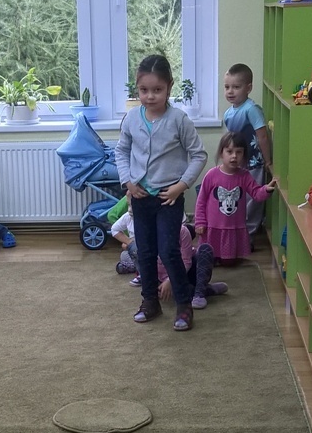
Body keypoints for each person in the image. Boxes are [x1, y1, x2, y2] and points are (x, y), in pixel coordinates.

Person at [115, 54, 208, 331]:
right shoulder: (132, 118)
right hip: (140, 198)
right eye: (144, 90)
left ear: (169, 87)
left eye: (157, 89)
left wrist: (181, 185)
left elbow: (199, 155)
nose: (150, 96)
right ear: (137, 88)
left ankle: (184, 305)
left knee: (169, 251)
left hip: (169, 198)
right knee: (144, 252)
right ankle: (150, 302)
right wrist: (128, 182)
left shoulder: (179, 119)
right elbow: (121, 151)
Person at [195, 131, 278, 264]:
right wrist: (200, 222)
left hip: (234, 227)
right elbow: (201, 200)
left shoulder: (244, 176)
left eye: (239, 152)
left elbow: (256, 193)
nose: (234, 156)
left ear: (244, 155)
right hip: (212, 227)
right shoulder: (211, 175)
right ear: (221, 153)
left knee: (229, 263)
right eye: (229, 151)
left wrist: (266, 189)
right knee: (208, 258)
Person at [223, 63, 273, 248]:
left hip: (254, 162)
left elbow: (262, 136)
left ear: (248, 88)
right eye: (227, 87)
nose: (230, 91)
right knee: (238, 198)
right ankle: (237, 233)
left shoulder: (251, 109)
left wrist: (268, 161)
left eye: (236, 87)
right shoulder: (229, 113)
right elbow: (230, 141)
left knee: (253, 199)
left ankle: (248, 237)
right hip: (237, 164)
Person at [110, 196, 139, 282]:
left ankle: (137, 269)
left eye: (133, 206)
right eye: (128, 205)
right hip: (135, 251)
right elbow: (114, 229)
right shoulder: (128, 216)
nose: (130, 209)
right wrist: (128, 242)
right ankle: (135, 267)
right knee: (124, 255)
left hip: (151, 252)